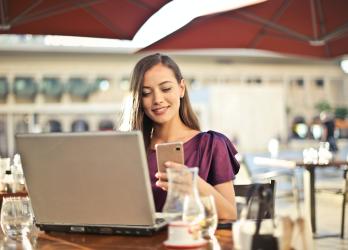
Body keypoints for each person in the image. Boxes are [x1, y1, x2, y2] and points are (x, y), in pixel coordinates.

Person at [129, 53, 240, 220]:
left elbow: (231, 214)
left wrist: (194, 184)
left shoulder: (211, 144)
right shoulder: (131, 151)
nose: (157, 99)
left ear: (181, 88)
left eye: (166, 89)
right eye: (146, 93)